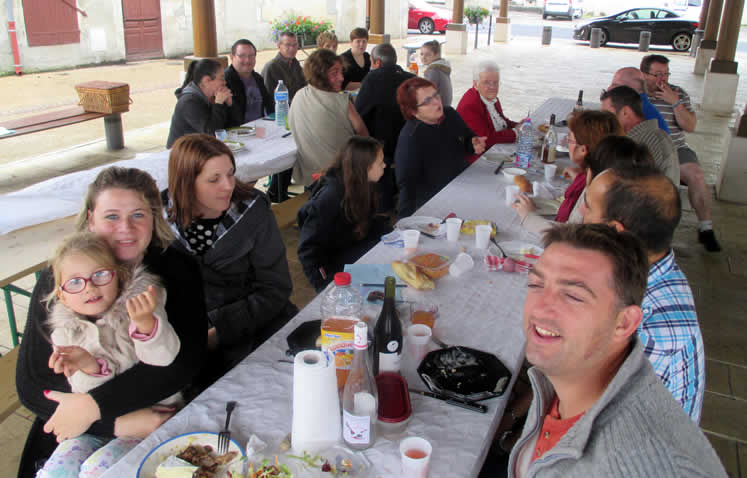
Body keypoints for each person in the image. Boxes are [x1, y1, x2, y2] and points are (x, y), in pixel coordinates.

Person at [17, 167, 206, 474]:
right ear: (91, 219)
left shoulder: (175, 268)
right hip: (77, 425)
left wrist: (95, 408)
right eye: (112, 216)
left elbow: (184, 362)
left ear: (154, 217)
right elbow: (32, 383)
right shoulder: (64, 275)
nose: (126, 229)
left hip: (156, 412)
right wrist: (111, 420)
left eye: (138, 215)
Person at [508, 223, 726, 477]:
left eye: (573, 296)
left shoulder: (637, 467)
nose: (540, 309)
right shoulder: (568, 370)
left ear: (624, 323)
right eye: (536, 285)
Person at [38, 232, 180, 477]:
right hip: (96, 427)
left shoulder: (138, 308)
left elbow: (164, 361)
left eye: (100, 275)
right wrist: (90, 367)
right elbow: (82, 397)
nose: (89, 287)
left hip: (152, 420)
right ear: (61, 295)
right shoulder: (64, 333)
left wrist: (147, 325)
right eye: (74, 282)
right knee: (56, 469)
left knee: (98, 470)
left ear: (119, 276)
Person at [163, 134, 297, 385]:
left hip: (255, 327)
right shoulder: (158, 221)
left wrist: (218, 333)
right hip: (183, 342)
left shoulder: (252, 212)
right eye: (214, 179)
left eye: (231, 174)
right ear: (185, 183)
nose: (228, 186)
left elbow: (276, 288)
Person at [580, 165, 705, 422]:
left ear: (615, 230)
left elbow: (596, 423)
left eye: (589, 207)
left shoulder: (648, 330)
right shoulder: (649, 268)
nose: (581, 213)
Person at [641, 54, 721, 252]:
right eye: (657, 74)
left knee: (696, 175)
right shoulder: (635, 95)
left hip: (676, 148)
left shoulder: (678, 93)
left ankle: (706, 228)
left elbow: (691, 126)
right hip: (646, 149)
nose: (663, 79)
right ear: (644, 74)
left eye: (666, 74)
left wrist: (675, 102)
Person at [297, 136, 393, 291]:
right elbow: (308, 250)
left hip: (352, 244)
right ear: (365, 167)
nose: (385, 165)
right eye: (380, 162)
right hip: (335, 264)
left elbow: (364, 220)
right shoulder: (330, 198)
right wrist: (325, 287)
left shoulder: (365, 184)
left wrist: (389, 233)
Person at [512, 110, 623, 234]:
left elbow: (573, 233)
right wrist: (580, 178)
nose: (564, 143)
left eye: (569, 140)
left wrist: (528, 217)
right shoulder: (610, 173)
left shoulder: (596, 186)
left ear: (583, 150)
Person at [394, 77, 486, 217]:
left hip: (465, 184)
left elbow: (468, 139)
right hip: (435, 202)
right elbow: (407, 185)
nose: (437, 102)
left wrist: (474, 144)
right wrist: (406, 223)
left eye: (436, 95)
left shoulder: (449, 114)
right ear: (413, 111)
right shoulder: (411, 138)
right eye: (427, 101)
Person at [288, 49, 369, 187]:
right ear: (319, 75)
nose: (341, 78)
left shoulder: (298, 95)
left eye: (341, 72)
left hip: (309, 178)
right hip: (342, 178)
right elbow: (365, 137)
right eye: (334, 73)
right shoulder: (342, 103)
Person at [355, 43, 415, 212]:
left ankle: (381, 208)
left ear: (377, 63)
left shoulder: (373, 79)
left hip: (384, 147)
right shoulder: (411, 78)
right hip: (409, 142)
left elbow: (361, 112)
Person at [261, 32, 307, 202]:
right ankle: (277, 192)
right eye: (288, 45)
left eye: (295, 45)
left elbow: (304, 88)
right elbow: (267, 98)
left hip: (298, 113)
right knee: (286, 152)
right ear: (279, 46)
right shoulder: (271, 67)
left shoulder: (295, 64)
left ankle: (280, 190)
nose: (292, 49)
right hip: (278, 117)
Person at [600, 86, 680, 184]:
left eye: (607, 115)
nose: (604, 121)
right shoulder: (654, 134)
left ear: (625, 112)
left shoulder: (638, 143)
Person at [457, 60, 517, 164]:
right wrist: (516, 132)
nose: (493, 87)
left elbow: (502, 121)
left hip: (496, 150)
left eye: (495, 82)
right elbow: (486, 139)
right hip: (478, 161)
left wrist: (519, 125)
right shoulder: (470, 105)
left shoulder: (490, 97)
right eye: (487, 82)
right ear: (475, 84)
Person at [166, 59, 232, 148]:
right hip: (182, 153)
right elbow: (211, 134)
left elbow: (230, 128)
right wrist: (219, 104)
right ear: (207, 80)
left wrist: (229, 104)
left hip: (202, 148)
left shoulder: (212, 97)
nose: (225, 82)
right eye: (221, 78)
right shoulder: (189, 102)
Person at [224, 39, 274, 128]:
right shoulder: (225, 80)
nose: (247, 60)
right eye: (242, 56)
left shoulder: (257, 78)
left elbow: (269, 104)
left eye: (251, 56)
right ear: (232, 57)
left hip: (260, 127)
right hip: (238, 131)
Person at [609, 66, 670, 133]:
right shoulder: (644, 105)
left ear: (632, 87)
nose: (609, 88)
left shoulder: (634, 110)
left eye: (615, 85)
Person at [420, 40, 452, 108]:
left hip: (438, 108)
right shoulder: (442, 66)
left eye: (428, 55)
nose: (423, 57)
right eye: (421, 54)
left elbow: (426, 92)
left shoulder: (433, 70)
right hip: (446, 106)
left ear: (437, 55)